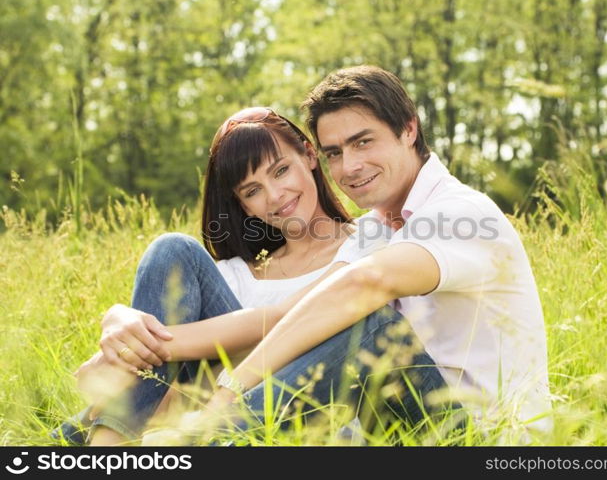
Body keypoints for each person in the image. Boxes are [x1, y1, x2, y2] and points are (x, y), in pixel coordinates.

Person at [178, 65, 552, 442]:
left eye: (363, 142)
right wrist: (156, 341)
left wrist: (229, 391)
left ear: (408, 129)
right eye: (335, 153)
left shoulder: (462, 212)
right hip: (400, 431)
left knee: (367, 327)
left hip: (486, 438)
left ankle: (204, 443)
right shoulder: (373, 229)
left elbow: (365, 284)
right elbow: (299, 311)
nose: (349, 167)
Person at [53, 106, 438, 445]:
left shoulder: (371, 241)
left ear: (309, 155)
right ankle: (105, 447)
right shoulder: (231, 277)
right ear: (242, 205)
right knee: (172, 249)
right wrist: (123, 325)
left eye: (281, 170)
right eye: (252, 190)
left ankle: (83, 444)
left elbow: (288, 316)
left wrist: (132, 350)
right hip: (220, 425)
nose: (274, 195)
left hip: (308, 425)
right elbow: (167, 401)